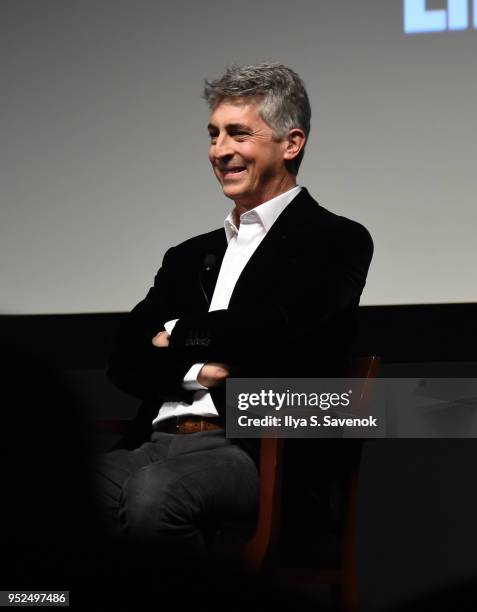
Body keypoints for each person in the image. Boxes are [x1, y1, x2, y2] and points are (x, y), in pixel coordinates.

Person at [94, 63, 373, 577]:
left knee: (156, 494)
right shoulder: (187, 256)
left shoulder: (336, 240)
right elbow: (124, 357)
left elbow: (278, 333)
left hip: (257, 451)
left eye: (238, 133)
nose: (219, 150)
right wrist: (201, 370)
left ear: (291, 144)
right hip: (155, 440)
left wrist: (176, 334)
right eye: (214, 134)